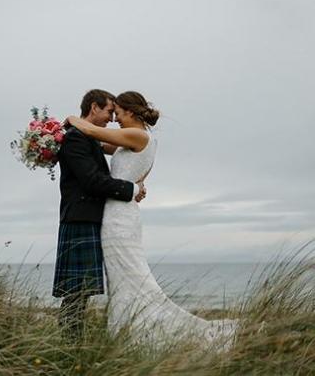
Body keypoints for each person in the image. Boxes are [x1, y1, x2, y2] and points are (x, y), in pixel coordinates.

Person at [66, 91, 237, 350]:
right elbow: (98, 145)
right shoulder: (131, 140)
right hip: (120, 214)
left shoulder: (138, 136)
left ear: (131, 113)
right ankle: (128, 331)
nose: (115, 119)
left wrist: (68, 119)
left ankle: (136, 333)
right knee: (124, 278)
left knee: (131, 278)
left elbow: (91, 133)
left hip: (119, 220)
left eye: (119, 113)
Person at [52, 89, 146, 341]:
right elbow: (93, 181)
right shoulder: (75, 139)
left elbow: (119, 147)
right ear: (94, 107)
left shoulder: (88, 138)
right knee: (76, 294)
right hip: (80, 219)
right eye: (108, 111)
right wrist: (132, 189)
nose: (111, 118)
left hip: (89, 218)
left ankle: (73, 345)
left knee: (80, 293)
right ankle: (70, 347)